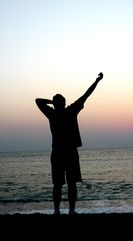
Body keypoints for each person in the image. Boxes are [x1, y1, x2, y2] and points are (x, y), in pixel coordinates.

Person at [35, 72, 103, 215]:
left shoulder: (54, 113)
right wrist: (97, 81)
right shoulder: (67, 111)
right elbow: (86, 94)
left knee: (61, 184)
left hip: (63, 152)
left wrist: (53, 103)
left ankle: (59, 211)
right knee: (65, 184)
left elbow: (38, 101)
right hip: (66, 152)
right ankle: (67, 211)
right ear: (64, 103)